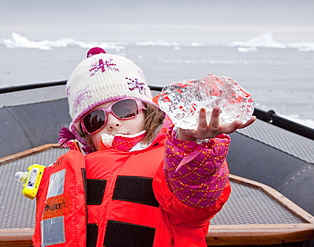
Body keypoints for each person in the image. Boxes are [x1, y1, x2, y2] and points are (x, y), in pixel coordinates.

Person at [32, 47, 256, 247]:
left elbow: (195, 203)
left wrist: (191, 145)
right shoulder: (68, 171)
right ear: (83, 133)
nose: (113, 122)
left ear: (146, 110)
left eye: (125, 109)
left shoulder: (173, 158)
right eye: (95, 119)